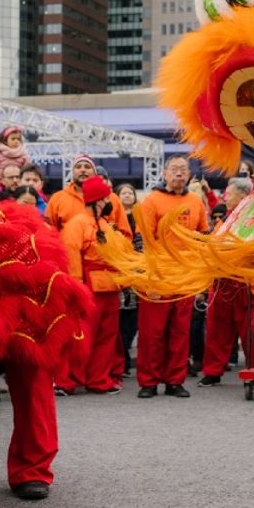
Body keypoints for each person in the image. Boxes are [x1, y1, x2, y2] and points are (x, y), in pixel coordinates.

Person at [133, 156, 209, 399]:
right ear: (164, 173)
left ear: (188, 175)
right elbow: (142, 240)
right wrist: (146, 274)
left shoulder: (195, 201)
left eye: (183, 169)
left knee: (180, 331)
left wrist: (201, 272)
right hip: (158, 274)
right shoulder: (151, 201)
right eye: (174, 169)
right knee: (152, 332)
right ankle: (148, 381)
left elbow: (203, 237)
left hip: (185, 275)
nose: (179, 173)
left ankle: (175, 380)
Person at [56, 176, 122, 395]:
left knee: (106, 335)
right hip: (89, 286)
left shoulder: (105, 224)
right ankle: (67, 380)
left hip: (110, 286)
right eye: (105, 198)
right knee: (81, 335)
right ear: (96, 201)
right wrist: (77, 288)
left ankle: (98, 378)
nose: (109, 201)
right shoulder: (77, 224)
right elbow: (72, 256)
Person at [199, 177, 254, 387]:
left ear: (243, 196)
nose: (225, 197)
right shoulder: (226, 220)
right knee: (217, 328)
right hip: (222, 280)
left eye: (228, 194)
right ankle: (213, 371)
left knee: (248, 328)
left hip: (244, 279)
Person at [47, 155, 130, 236]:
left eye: (87, 167)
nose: (83, 170)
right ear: (72, 172)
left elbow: (125, 233)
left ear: (94, 173)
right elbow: (48, 232)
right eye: (78, 167)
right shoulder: (57, 198)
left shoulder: (111, 198)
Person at [115, 183, 142, 376]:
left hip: (135, 274)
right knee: (118, 320)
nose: (126, 196)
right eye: (122, 193)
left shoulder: (140, 217)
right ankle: (121, 360)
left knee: (131, 320)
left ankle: (124, 357)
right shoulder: (112, 218)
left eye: (130, 192)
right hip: (117, 272)